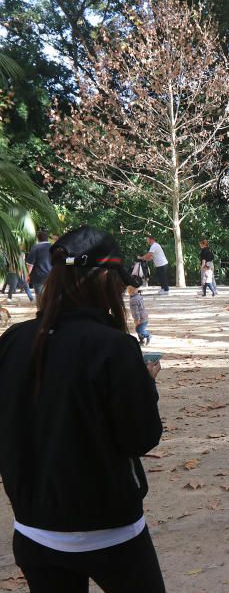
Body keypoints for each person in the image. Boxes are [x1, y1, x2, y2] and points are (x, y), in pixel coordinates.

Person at [0, 225, 165, 591]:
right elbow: (141, 437)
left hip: (34, 528)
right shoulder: (113, 348)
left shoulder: (12, 341)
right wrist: (146, 385)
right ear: (104, 279)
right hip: (110, 534)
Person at [25, 229, 52, 300]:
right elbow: (60, 260)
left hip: (38, 278)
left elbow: (30, 264)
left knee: (40, 298)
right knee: (49, 296)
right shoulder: (53, 247)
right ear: (47, 238)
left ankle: (41, 310)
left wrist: (27, 275)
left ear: (38, 238)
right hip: (51, 276)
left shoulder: (35, 248)